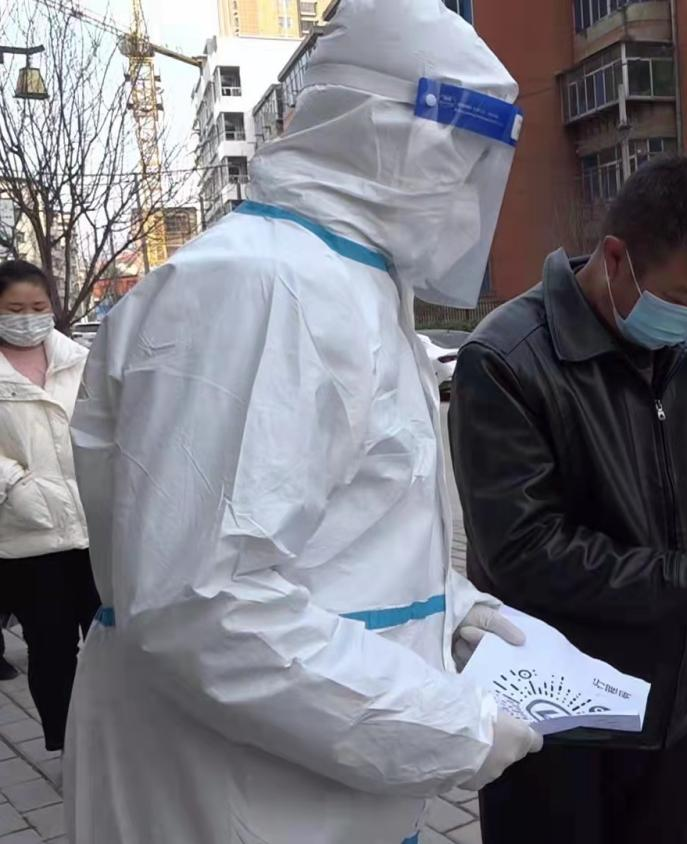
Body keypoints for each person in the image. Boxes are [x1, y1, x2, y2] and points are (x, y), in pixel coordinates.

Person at [64, 2, 541, 842]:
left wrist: (447, 605)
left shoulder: (343, 282)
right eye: (462, 152)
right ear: (390, 132)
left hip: (311, 791)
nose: (469, 189)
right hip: (234, 795)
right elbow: (201, 605)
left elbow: (336, 527)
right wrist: (445, 727)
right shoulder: (263, 289)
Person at [450, 156, 687, 844]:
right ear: (616, 257)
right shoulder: (506, 359)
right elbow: (521, 551)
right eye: (681, 296)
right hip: (551, 718)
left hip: (669, 707)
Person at [0, 259, 98, 748]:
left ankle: (117, 744)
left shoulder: (80, 359)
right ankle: (68, 749)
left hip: (95, 527)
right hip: (29, 535)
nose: (28, 318)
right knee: (53, 649)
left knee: (111, 642)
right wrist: (15, 484)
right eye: (14, 309)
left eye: (38, 307)